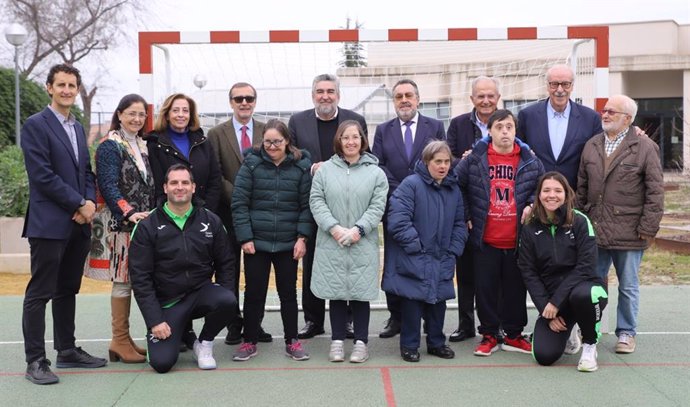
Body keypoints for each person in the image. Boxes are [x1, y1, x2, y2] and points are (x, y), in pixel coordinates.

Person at [20, 64, 107, 385]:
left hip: (78, 222)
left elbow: (85, 171)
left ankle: (67, 350)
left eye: (72, 85)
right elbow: (41, 175)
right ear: (49, 87)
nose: (67, 90)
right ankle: (35, 361)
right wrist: (78, 203)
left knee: (67, 288)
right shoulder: (35, 125)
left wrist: (88, 203)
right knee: (39, 292)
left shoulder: (76, 125)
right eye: (61, 85)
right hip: (49, 223)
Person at [576, 94, 664, 354]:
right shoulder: (591, 145)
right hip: (595, 230)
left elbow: (655, 193)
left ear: (628, 119)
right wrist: (581, 223)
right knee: (593, 285)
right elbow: (581, 189)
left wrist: (648, 229)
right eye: (604, 110)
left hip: (630, 232)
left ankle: (626, 333)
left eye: (612, 112)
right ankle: (590, 327)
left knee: (628, 286)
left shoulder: (646, 148)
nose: (605, 115)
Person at [128, 164, 237, 373]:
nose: (180, 187)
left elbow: (226, 263)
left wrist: (223, 292)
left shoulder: (210, 220)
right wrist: (155, 320)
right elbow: (140, 278)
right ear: (165, 187)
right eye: (174, 183)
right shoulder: (147, 225)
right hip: (168, 303)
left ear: (193, 187)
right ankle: (182, 331)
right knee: (161, 364)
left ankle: (203, 344)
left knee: (227, 300)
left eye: (185, 182)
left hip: (200, 293)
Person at [455, 109, 544, 357]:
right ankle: (489, 334)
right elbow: (457, 185)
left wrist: (530, 205)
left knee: (516, 289)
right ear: (490, 131)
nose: (505, 131)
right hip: (486, 238)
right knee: (486, 289)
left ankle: (514, 335)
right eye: (499, 127)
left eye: (509, 127)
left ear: (516, 131)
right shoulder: (475, 159)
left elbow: (542, 188)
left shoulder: (530, 160)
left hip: (517, 240)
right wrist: (467, 215)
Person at [288, 74, 367, 340]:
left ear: (338, 95)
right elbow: (293, 157)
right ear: (313, 95)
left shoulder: (355, 120)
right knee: (313, 261)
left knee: (347, 259)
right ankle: (313, 320)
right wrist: (311, 167)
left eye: (330, 91)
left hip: (348, 199)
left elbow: (362, 154)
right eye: (320, 91)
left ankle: (346, 321)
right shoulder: (297, 121)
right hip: (314, 200)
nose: (325, 96)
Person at [230, 119, 313, 362]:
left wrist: (302, 238)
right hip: (257, 242)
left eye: (277, 141)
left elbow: (306, 206)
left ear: (287, 141)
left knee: (288, 293)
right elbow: (239, 203)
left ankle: (292, 341)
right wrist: (245, 237)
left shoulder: (300, 167)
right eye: (268, 141)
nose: (272, 146)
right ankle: (249, 341)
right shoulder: (251, 165)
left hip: (289, 243)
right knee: (254, 293)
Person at [147, 93, 222, 349]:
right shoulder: (155, 143)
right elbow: (158, 183)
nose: (181, 115)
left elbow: (214, 179)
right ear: (167, 113)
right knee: (174, 269)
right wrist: (168, 210)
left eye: (185, 111)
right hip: (170, 215)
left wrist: (203, 212)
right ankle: (180, 330)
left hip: (199, 216)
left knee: (197, 269)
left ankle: (194, 333)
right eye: (176, 110)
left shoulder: (202, 140)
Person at [372, 78, 446, 339]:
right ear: (394, 102)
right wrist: (405, 190)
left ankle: (427, 316)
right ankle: (397, 317)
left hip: (429, 207)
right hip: (395, 206)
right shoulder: (383, 130)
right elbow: (378, 165)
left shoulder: (435, 126)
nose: (404, 100)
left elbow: (440, 161)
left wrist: (420, 189)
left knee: (427, 261)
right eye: (399, 96)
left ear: (417, 99)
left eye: (408, 95)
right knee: (395, 264)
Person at [310, 120, 388, 363]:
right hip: (331, 241)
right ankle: (336, 340)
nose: (351, 142)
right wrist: (333, 228)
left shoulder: (376, 173)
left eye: (355, 137)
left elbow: (377, 206)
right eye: (346, 138)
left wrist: (358, 230)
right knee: (335, 292)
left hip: (361, 242)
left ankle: (361, 343)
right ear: (339, 141)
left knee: (359, 294)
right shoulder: (324, 171)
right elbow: (316, 201)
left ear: (362, 140)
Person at [85, 94, 155, 364]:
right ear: (120, 114)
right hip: (122, 224)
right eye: (131, 114)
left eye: (141, 114)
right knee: (123, 279)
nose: (137, 119)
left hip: (144, 223)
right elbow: (108, 185)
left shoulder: (142, 144)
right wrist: (128, 211)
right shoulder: (110, 146)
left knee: (137, 279)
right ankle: (119, 340)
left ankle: (124, 340)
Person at [383, 141, 468, 362]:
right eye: (437, 161)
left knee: (438, 302)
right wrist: (416, 247)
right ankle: (409, 345)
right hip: (415, 256)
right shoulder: (411, 185)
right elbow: (398, 220)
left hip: (443, 256)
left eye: (447, 161)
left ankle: (436, 343)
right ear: (426, 162)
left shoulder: (453, 189)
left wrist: (454, 249)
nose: (443, 166)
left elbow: (460, 222)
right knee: (413, 302)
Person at [518, 171, 608, 372]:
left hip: (586, 290)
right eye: (546, 190)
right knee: (544, 356)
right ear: (539, 195)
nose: (552, 195)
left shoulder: (580, 221)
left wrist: (555, 302)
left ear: (567, 195)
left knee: (583, 295)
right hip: (553, 302)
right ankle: (571, 329)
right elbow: (528, 271)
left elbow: (586, 266)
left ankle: (589, 344)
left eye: (558, 190)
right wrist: (546, 309)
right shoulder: (530, 227)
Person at [207, 82, 272, 346]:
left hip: (260, 215)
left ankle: (254, 325)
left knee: (258, 275)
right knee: (228, 272)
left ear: (255, 101)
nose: (244, 103)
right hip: (229, 214)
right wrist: (239, 197)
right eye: (238, 99)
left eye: (249, 98)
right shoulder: (216, 133)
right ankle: (233, 324)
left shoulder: (267, 130)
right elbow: (216, 173)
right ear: (231, 102)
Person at [445, 76, 501, 343]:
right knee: (465, 272)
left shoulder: (507, 123)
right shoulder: (457, 124)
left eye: (490, 96)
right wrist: (463, 160)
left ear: (498, 98)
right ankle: (465, 324)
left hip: (499, 211)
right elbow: (447, 160)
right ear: (472, 99)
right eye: (481, 96)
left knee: (493, 274)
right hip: (466, 209)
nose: (486, 101)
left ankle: (493, 326)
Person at [517, 64, 602, 190]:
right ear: (547, 86)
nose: (560, 89)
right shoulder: (527, 116)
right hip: (536, 194)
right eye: (554, 84)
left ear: (572, 86)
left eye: (565, 84)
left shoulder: (591, 118)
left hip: (574, 195)